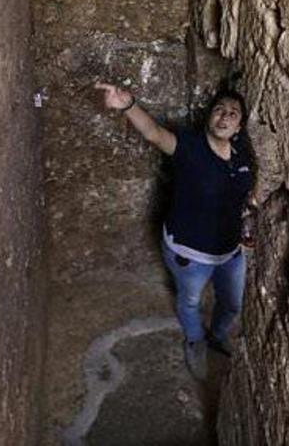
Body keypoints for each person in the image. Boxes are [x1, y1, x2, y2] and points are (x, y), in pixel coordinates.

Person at [95, 81, 257, 381]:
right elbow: (154, 134)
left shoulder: (243, 156)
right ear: (209, 117)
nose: (224, 116)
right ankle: (195, 341)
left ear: (239, 126)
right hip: (190, 253)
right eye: (219, 110)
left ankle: (218, 337)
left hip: (231, 253)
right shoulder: (190, 148)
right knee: (191, 300)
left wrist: (247, 217)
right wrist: (128, 105)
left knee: (232, 303)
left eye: (232, 113)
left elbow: (243, 197)